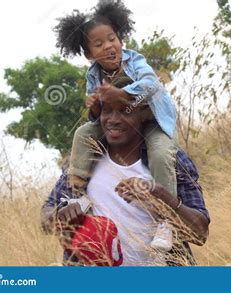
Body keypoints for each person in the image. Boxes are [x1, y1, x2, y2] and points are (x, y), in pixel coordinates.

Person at [53, 0, 178, 251]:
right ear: (89, 54)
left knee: (162, 153)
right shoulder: (93, 74)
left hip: (151, 120)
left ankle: (166, 221)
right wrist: (94, 105)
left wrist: (121, 94)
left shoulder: (135, 61)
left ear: (120, 38)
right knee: (83, 133)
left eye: (112, 39)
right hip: (117, 125)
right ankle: (79, 195)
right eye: (98, 44)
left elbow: (151, 85)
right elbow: (96, 115)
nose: (108, 46)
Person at [41, 88, 209, 266]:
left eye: (124, 111)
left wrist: (161, 194)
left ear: (144, 115)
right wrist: (60, 214)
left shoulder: (169, 160)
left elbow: (200, 233)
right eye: (107, 110)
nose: (113, 119)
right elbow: (46, 217)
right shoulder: (85, 158)